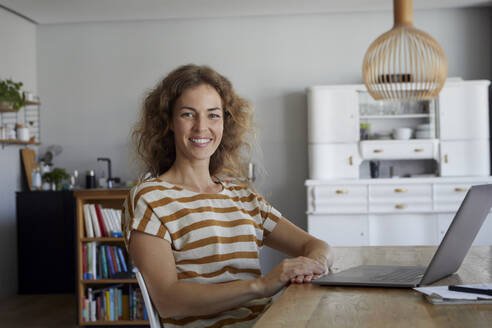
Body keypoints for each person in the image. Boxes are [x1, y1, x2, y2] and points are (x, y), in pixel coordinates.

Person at [123, 64, 334, 328]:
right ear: (169, 122)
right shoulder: (149, 198)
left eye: (213, 115)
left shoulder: (242, 194)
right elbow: (168, 300)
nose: (202, 127)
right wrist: (262, 285)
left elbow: (317, 246)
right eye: (188, 115)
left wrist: (315, 265)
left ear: (225, 122)